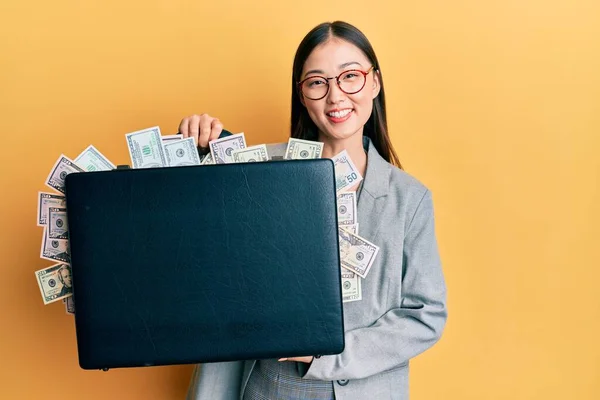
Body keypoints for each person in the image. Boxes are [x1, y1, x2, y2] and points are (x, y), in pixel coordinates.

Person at [182, 20, 447, 400]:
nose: (336, 96)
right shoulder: (258, 172)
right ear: (302, 95)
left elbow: (426, 314)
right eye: (317, 82)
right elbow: (198, 249)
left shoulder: (410, 198)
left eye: (350, 76)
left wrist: (327, 353)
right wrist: (195, 147)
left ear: (374, 82)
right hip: (268, 388)